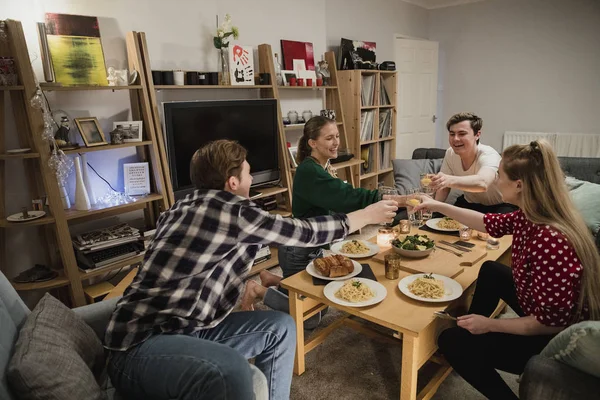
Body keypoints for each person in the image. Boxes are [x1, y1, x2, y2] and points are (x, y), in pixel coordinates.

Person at [104, 139, 398, 400]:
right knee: (232, 370)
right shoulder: (233, 211)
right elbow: (303, 231)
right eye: (248, 171)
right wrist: (363, 217)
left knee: (281, 328)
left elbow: (204, 265)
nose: (252, 177)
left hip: (188, 330)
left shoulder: (183, 205)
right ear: (233, 182)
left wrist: (239, 286)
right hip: (139, 349)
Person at [412, 140, 600, 400]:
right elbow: (487, 223)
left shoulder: (550, 239)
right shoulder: (530, 214)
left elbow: (550, 322)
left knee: (451, 341)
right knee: (491, 269)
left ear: (519, 185)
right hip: (541, 307)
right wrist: (437, 206)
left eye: (500, 175)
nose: (496, 180)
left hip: (552, 334)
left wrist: (490, 325)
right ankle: (471, 332)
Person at [241, 116, 406, 319]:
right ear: (313, 143)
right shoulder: (310, 171)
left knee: (319, 300)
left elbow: (340, 196)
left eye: (337, 136)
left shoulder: (321, 166)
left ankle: (275, 280)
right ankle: (258, 290)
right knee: (311, 317)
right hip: (298, 250)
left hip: (313, 246)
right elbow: (348, 197)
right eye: (329, 138)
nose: (336, 142)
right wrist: (399, 199)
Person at [430, 112, 516, 214]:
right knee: (440, 222)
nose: (455, 139)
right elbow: (443, 188)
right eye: (452, 134)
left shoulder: (489, 155)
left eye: (462, 134)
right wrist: (432, 208)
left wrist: (448, 179)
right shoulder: (450, 153)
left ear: (477, 135)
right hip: (470, 204)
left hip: (500, 206)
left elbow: (483, 183)